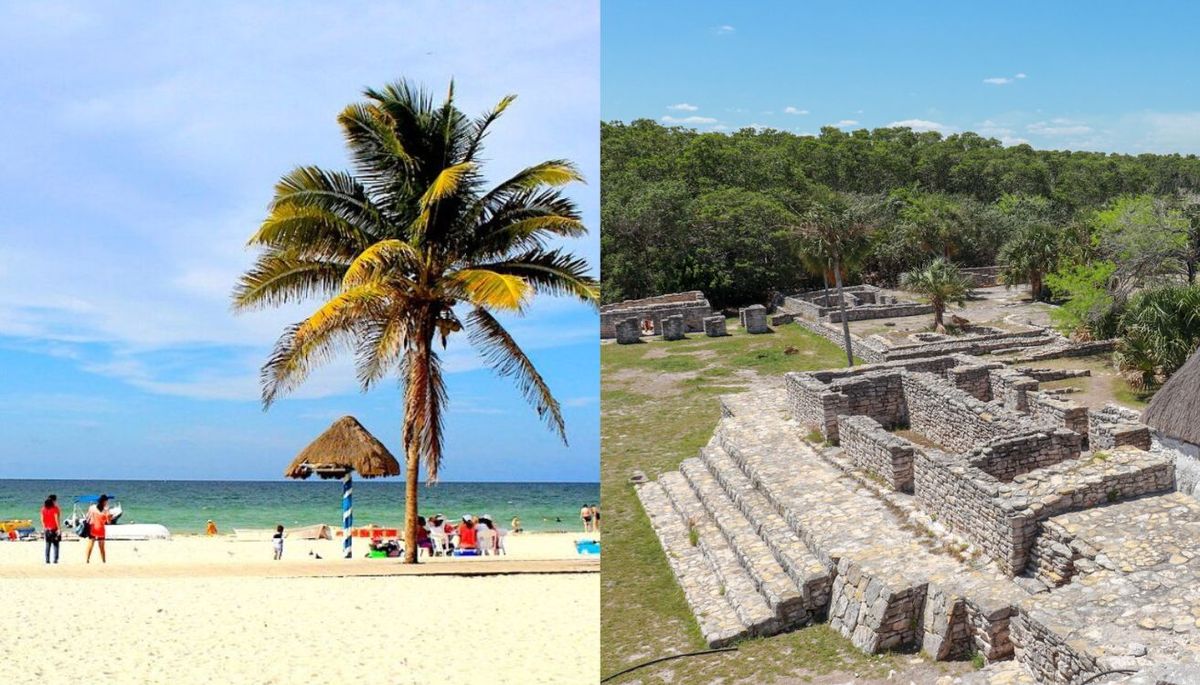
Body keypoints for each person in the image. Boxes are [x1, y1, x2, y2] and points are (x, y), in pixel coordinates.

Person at [85, 495, 112, 564]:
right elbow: (108, 522)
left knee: (90, 544)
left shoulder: (92, 507)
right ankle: (103, 561)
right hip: (101, 529)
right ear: (104, 501)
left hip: (93, 528)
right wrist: (109, 516)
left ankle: (87, 560)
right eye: (106, 501)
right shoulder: (106, 510)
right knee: (101, 547)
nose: (107, 502)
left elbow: (87, 516)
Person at [41, 497, 61, 564]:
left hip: (47, 529)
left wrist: (44, 528)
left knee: (48, 544)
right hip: (54, 529)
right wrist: (59, 529)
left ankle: (47, 560)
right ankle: (55, 559)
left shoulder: (43, 509)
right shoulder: (55, 508)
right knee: (56, 544)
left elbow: (42, 520)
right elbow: (56, 519)